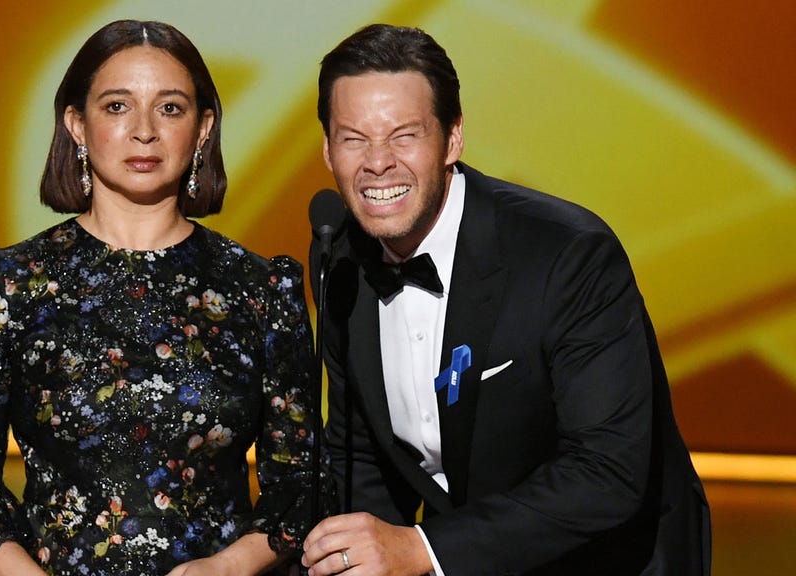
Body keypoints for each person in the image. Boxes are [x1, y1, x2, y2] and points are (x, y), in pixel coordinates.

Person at [0, 20, 323, 576]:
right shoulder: (8, 283)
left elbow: (301, 484)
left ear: (203, 128)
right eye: (118, 106)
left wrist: (227, 568)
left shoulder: (260, 291)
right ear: (76, 123)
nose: (144, 131)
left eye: (170, 108)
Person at [301, 24, 710, 576]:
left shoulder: (567, 255)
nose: (378, 164)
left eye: (404, 135)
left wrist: (423, 550)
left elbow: (607, 473)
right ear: (327, 149)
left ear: (453, 139)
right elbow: (363, 455)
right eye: (354, 138)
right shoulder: (338, 256)